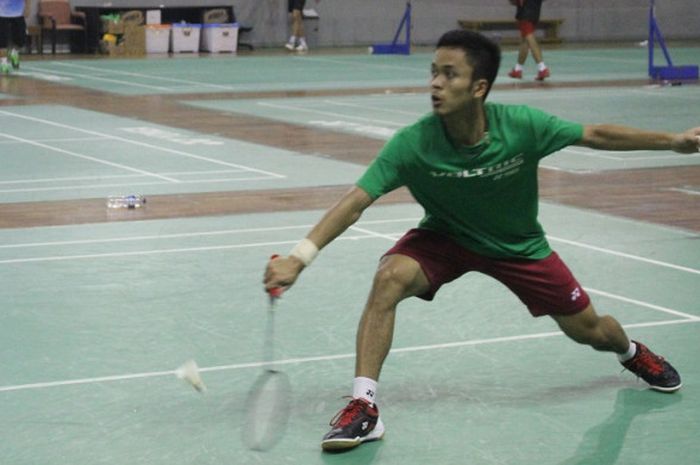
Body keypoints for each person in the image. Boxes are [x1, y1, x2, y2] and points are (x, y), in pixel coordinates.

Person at [264, 29, 697, 452]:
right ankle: (364, 405)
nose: (435, 83)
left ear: (479, 87)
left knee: (592, 332)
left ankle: (631, 351)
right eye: (433, 72)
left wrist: (674, 142)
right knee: (389, 277)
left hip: (519, 246)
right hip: (445, 237)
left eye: (449, 74)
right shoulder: (413, 144)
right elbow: (355, 201)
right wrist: (300, 258)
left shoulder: (522, 126)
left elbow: (596, 134)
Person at [508, 0, 549, 80]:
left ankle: (542, 68)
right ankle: (518, 69)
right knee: (525, 40)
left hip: (526, 10)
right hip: (534, 9)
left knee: (529, 36)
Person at [0, 0, 29, 74]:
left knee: (22, 41)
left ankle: (14, 53)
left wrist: (27, 8)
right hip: (2, 15)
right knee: (2, 42)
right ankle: (4, 63)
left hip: (18, 14)